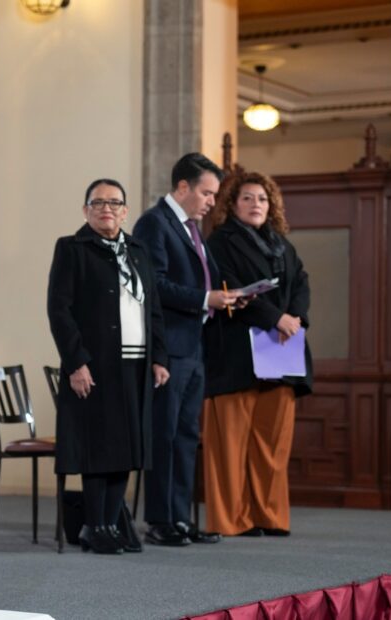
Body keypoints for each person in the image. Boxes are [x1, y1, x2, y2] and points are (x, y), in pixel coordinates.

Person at [48, 178, 170, 554]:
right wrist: (76, 362)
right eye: (98, 202)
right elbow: (59, 310)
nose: (107, 208)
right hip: (96, 365)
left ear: (125, 211)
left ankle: (112, 524)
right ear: (86, 210)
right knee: (98, 449)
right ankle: (94, 525)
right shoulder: (72, 248)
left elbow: (154, 309)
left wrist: (160, 357)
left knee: (128, 449)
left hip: (136, 364)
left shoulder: (138, 251)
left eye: (114, 203)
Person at [132, 153, 239, 547]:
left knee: (185, 435)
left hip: (194, 347)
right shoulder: (154, 223)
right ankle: (160, 520)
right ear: (182, 187)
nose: (212, 201)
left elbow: (203, 280)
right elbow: (154, 285)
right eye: (207, 193)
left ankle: (180, 517)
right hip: (169, 348)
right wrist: (205, 299)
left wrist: (227, 296)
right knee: (163, 434)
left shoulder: (192, 229)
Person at [202, 170, 312, 537]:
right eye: (247, 198)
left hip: (281, 350)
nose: (256, 204)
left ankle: (269, 516)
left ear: (272, 205)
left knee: (272, 443)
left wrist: (295, 317)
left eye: (262, 199)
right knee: (230, 445)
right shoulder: (219, 242)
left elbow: (301, 282)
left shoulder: (283, 245)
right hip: (235, 353)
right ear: (232, 204)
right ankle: (233, 520)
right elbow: (230, 287)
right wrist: (275, 317)